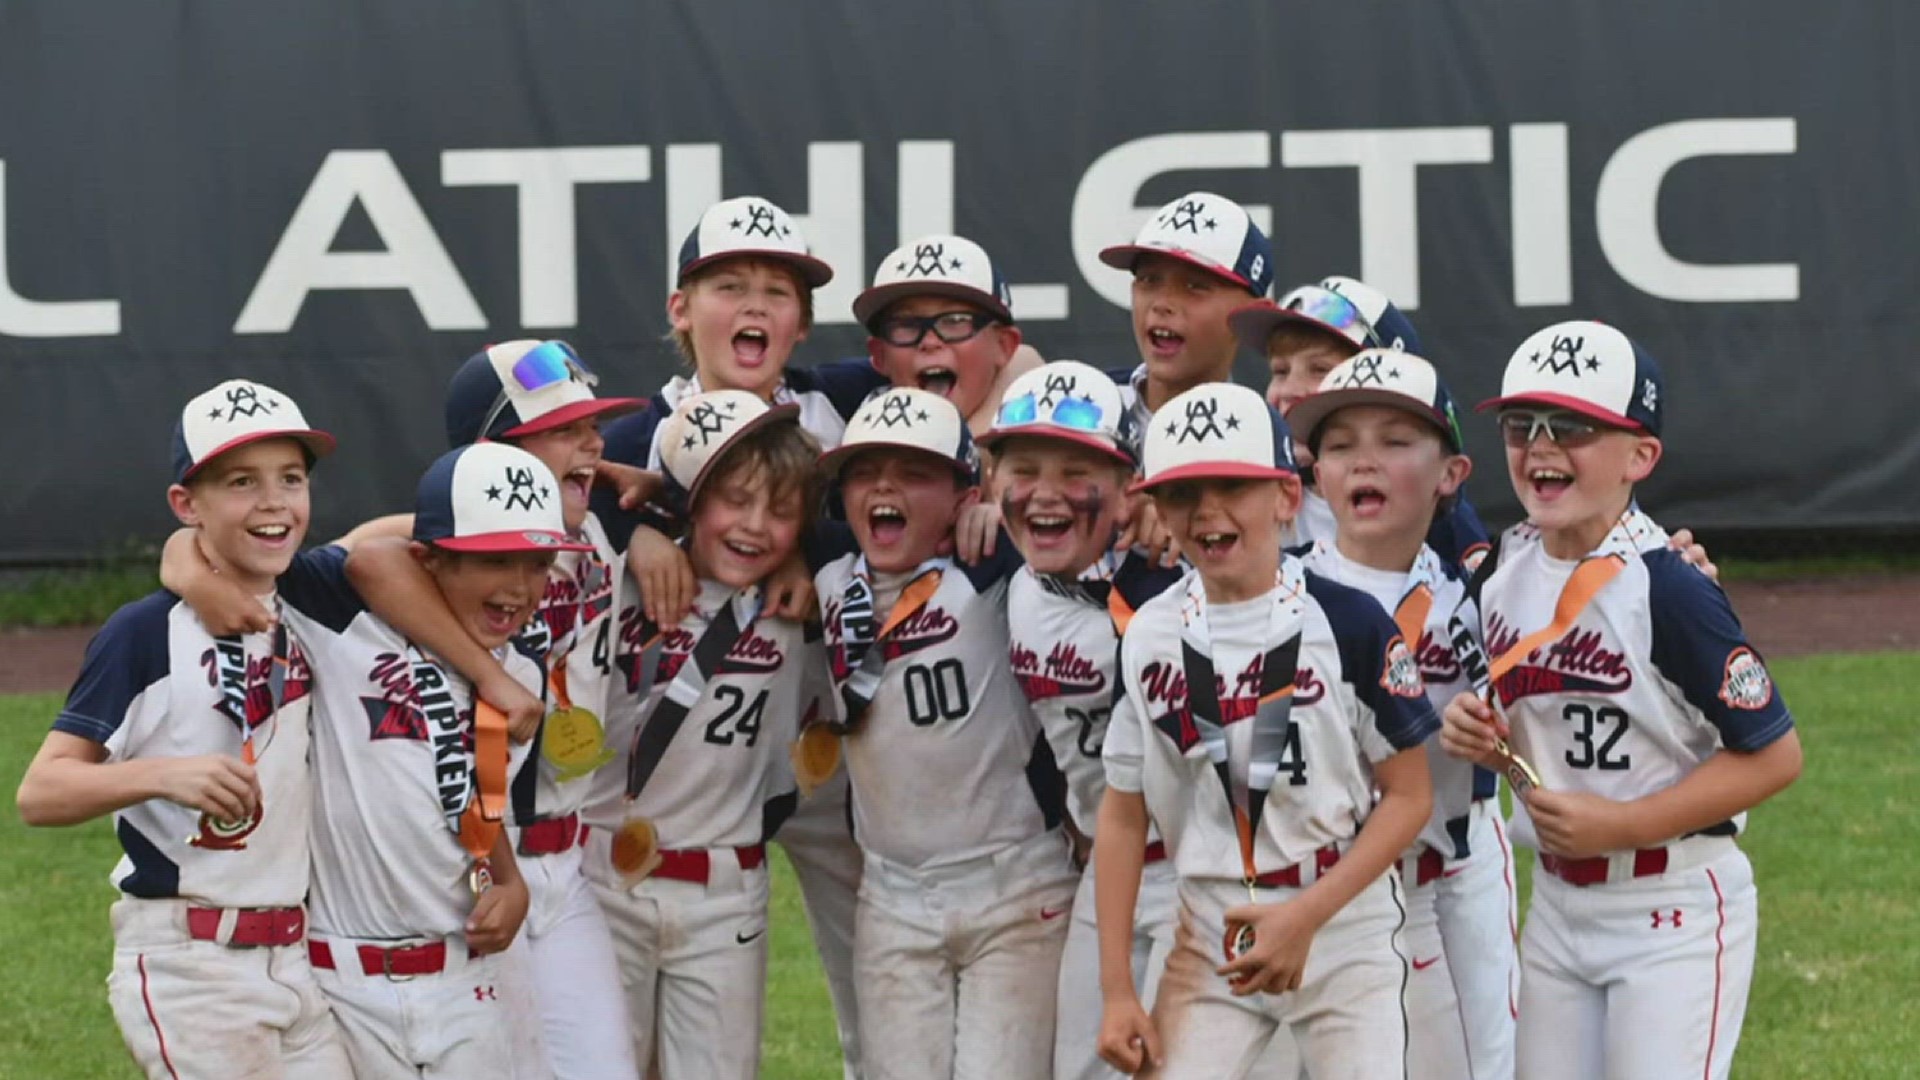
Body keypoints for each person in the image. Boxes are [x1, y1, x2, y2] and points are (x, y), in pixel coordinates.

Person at [1441, 320, 1802, 1080]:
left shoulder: (1666, 585)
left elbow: (1774, 754)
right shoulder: (1502, 570)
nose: (1540, 445)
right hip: (1559, 908)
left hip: (1669, 902)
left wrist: (1624, 822)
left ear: (1641, 455)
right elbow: (1520, 705)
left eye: (1571, 426)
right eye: (1521, 424)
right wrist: (1476, 725)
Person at [1095, 382, 1438, 1079]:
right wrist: (1116, 991)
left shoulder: (1348, 624)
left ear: (1286, 497)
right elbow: (1123, 811)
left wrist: (1307, 914)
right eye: (1182, 494)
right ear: (1155, 506)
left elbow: (1410, 797)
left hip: (1342, 922)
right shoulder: (1151, 633)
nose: (1207, 511)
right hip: (1210, 923)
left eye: (1232, 485)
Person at [16, 380, 351, 1080]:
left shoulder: (311, 602)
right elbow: (40, 792)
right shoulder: (144, 632)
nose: (273, 502)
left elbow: (407, 539)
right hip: (192, 963)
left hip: (297, 957)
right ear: (185, 505)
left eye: (291, 478)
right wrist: (164, 774)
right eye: (240, 482)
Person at [278, 440, 583, 1077]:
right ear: (429, 560)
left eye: (538, 563)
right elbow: (371, 556)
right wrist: (486, 676)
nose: (520, 588)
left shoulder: (524, 657)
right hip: (343, 979)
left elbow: (474, 796)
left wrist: (509, 876)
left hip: (466, 975)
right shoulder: (345, 620)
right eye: (495, 561)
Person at [814, 387, 1078, 1079]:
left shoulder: (998, 563)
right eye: (866, 471)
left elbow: (1088, 513)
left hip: (1015, 885)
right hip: (890, 895)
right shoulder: (821, 566)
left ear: (966, 494)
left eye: (916, 472)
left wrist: (1005, 511)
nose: (885, 488)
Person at [580, 389, 830, 1077]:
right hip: (600, 879)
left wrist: (802, 555)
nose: (754, 526)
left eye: (782, 513)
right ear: (690, 499)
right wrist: (634, 530)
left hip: (725, 892)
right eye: (735, 501)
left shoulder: (799, 601)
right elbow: (557, 494)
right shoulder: (616, 576)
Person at [1285, 350, 1510, 1078]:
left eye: (1394, 440)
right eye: (1340, 445)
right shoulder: (1279, 596)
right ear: (1314, 474)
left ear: (1451, 475)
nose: (1363, 463)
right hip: (1298, 894)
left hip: (1432, 891)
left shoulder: (1480, 600)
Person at [977, 361, 1186, 1080]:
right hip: (1106, 874)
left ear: (1134, 485)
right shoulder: (1016, 585)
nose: (1044, 493)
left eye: (1076, 471)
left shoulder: (1185, 574)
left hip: (1206, 875)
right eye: (1023, 468)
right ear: (988, 482)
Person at [1228, 275, 1490, 567]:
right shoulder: (1238, 494)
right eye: (1280, 371)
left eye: (1319, 369)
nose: (1288, 390)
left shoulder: (1446, 527)